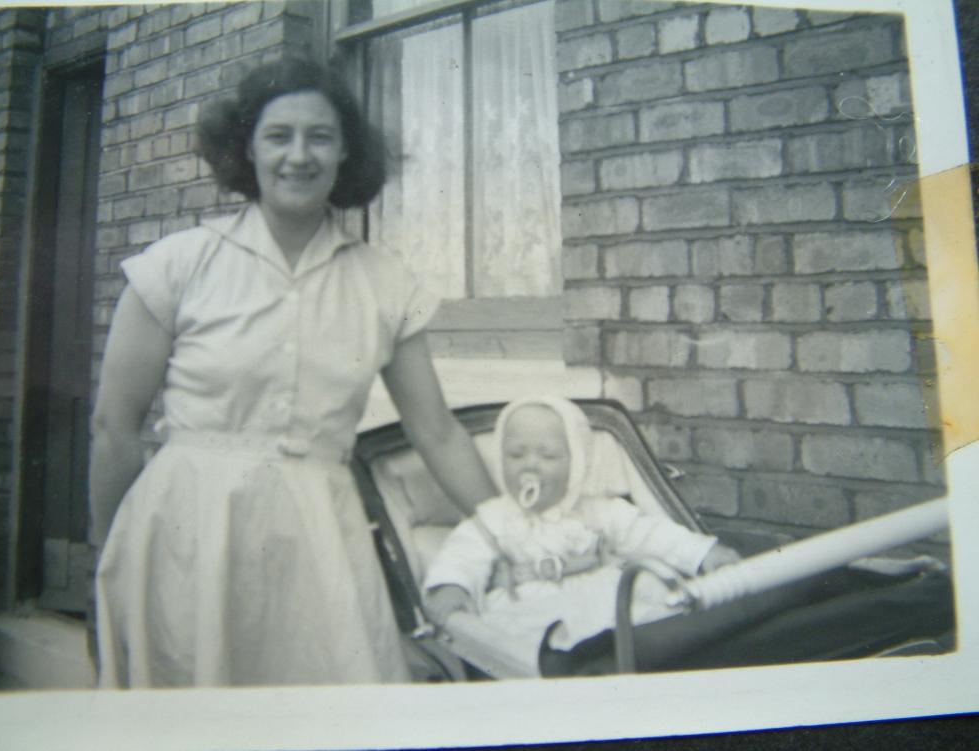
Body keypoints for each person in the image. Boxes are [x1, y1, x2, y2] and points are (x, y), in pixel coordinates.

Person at [89, 58, 497, 688]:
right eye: (279, 136)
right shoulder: (177, 266)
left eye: (320, 137)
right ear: (246, 149)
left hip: (320, 545)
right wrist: (108, 566)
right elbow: (113, 428)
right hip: (187, 540)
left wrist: (516, 531)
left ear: (345, 155)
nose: (298, 156)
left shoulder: (386, 285)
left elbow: (438, 432)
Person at [423, 396, 740, 663]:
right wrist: (452, 586)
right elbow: (462, 555)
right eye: (515, 454)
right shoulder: (492, 519)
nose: (529, 464)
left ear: (577, 464)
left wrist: (702, 553)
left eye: (548, 455)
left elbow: (650, 534)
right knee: (523, 643)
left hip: (602, 596)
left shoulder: (598, 510)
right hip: (530, 607)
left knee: (654, 614)